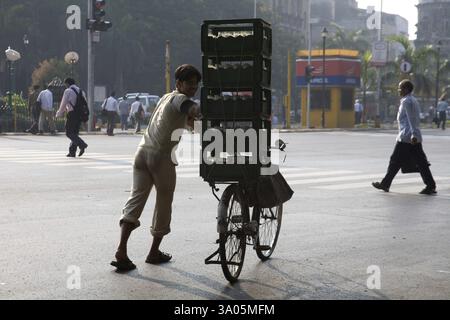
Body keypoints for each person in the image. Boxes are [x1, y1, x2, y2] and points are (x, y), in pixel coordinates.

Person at [111, 64, 202, 271]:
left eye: (196, 86)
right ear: (179, 84)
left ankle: (121, 250)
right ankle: (153, 252)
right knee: (163, 203)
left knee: (135, 201)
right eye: (189, 84)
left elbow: (191, 125)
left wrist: (199, 122)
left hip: (142, 153)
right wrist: (201, 110)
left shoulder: (164, 99)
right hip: (160, 157)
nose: (193, 88)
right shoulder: (180, 99)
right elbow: (191, 109)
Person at [372, 79, 436, 195]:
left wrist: (413, 135)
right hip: (410, 136)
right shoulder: (411, 100)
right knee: (419, 162)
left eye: (400, 88)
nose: (399, 90)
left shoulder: (407, 101)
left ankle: (385, 184)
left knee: (395, 161)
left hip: (407, 137)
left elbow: (412, 119)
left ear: (406, 89)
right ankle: (430, 185)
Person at [56, 78, 88, 157]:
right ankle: (72, 152)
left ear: (67, 83)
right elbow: (85, 103)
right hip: (79, 114)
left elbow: (63, 104)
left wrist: (59, 114)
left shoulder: (68, 91)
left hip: (72, 114)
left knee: (69, 133)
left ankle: (82, 144)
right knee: (74, 133)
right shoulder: (81, 91)